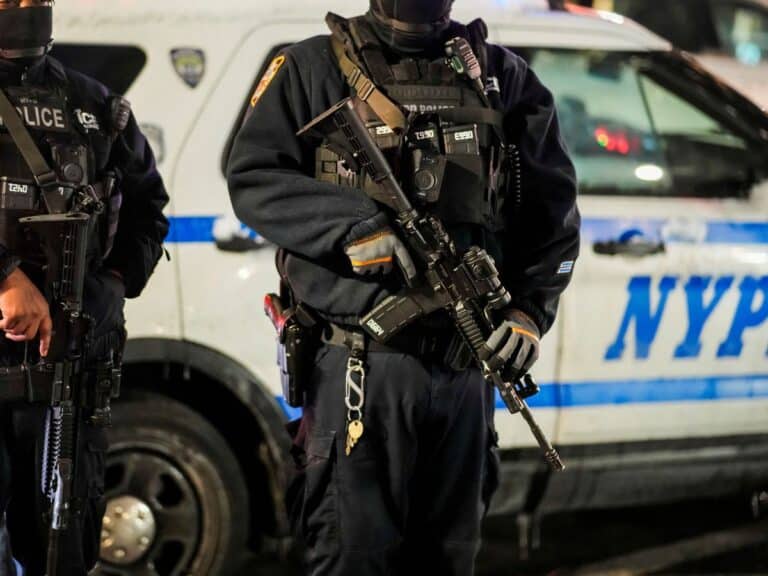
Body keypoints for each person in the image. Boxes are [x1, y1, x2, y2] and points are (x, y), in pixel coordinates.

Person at [228, 0, 579, 573]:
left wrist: (529, 314)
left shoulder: (502, 77)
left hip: (467, 369)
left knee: (449, 558)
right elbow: (253, 177)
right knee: (353, 556)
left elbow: (553, 216)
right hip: (360, 368)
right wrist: (351, 225)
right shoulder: (313, 66)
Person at [0, 1, 169, 574]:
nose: (24, 10)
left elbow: (148, 211)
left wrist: (111, 287)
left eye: (34, 0)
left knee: (61, 550)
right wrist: (6, 277)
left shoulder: (94, 107)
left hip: (69, 380)